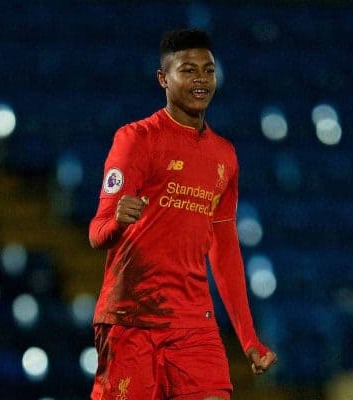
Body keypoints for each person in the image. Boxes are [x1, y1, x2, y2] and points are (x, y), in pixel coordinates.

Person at [88, 29, 277, 400]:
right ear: (163, 78)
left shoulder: (224, 155)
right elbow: (97, 232)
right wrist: (116, 223)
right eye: (188, 71)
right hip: (132, 320)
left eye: (208, 71)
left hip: (194, 324)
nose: (201, 80)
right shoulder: (136, 139)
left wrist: (248, 336)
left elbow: (224, 249)